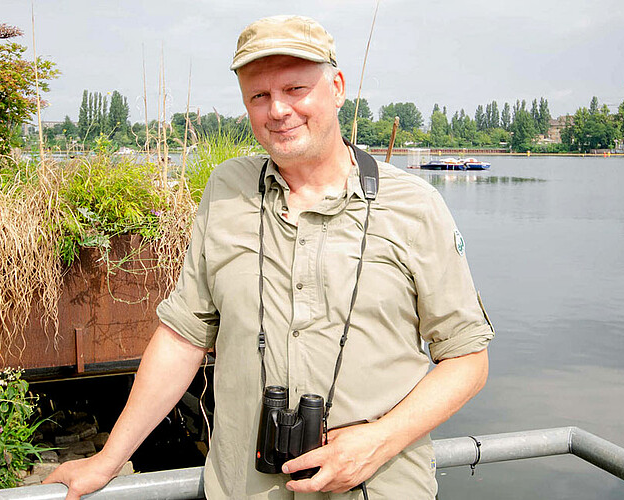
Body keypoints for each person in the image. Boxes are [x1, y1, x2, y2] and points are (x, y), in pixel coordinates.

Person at [45, 14, 493, 499]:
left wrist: (378, 441)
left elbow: (467, 359)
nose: (278, 110)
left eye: (296, 88)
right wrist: (108, 460)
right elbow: (182, 338)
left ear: (337, 87)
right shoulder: (225, 191)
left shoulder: (415, 206)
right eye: (259, 96)